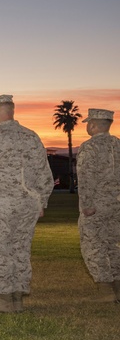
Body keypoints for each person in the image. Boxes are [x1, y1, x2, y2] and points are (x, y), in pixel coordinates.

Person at [0, 94, 54, 313]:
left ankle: (4, 298)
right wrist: (41, 202)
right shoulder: (32, 137)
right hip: (28, 204)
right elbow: (45, 175)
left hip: (0, 204)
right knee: (21, 249)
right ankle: (18, 297)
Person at [76, 108, 120, 303]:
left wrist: (86, 204)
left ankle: (105, 290)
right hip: (116, 205)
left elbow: (86, 178)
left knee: (93, 245)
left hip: (97, 205)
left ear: (93, 124)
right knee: (114, 244)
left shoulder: (89, 147)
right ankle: (117, 287)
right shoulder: (118, 145)